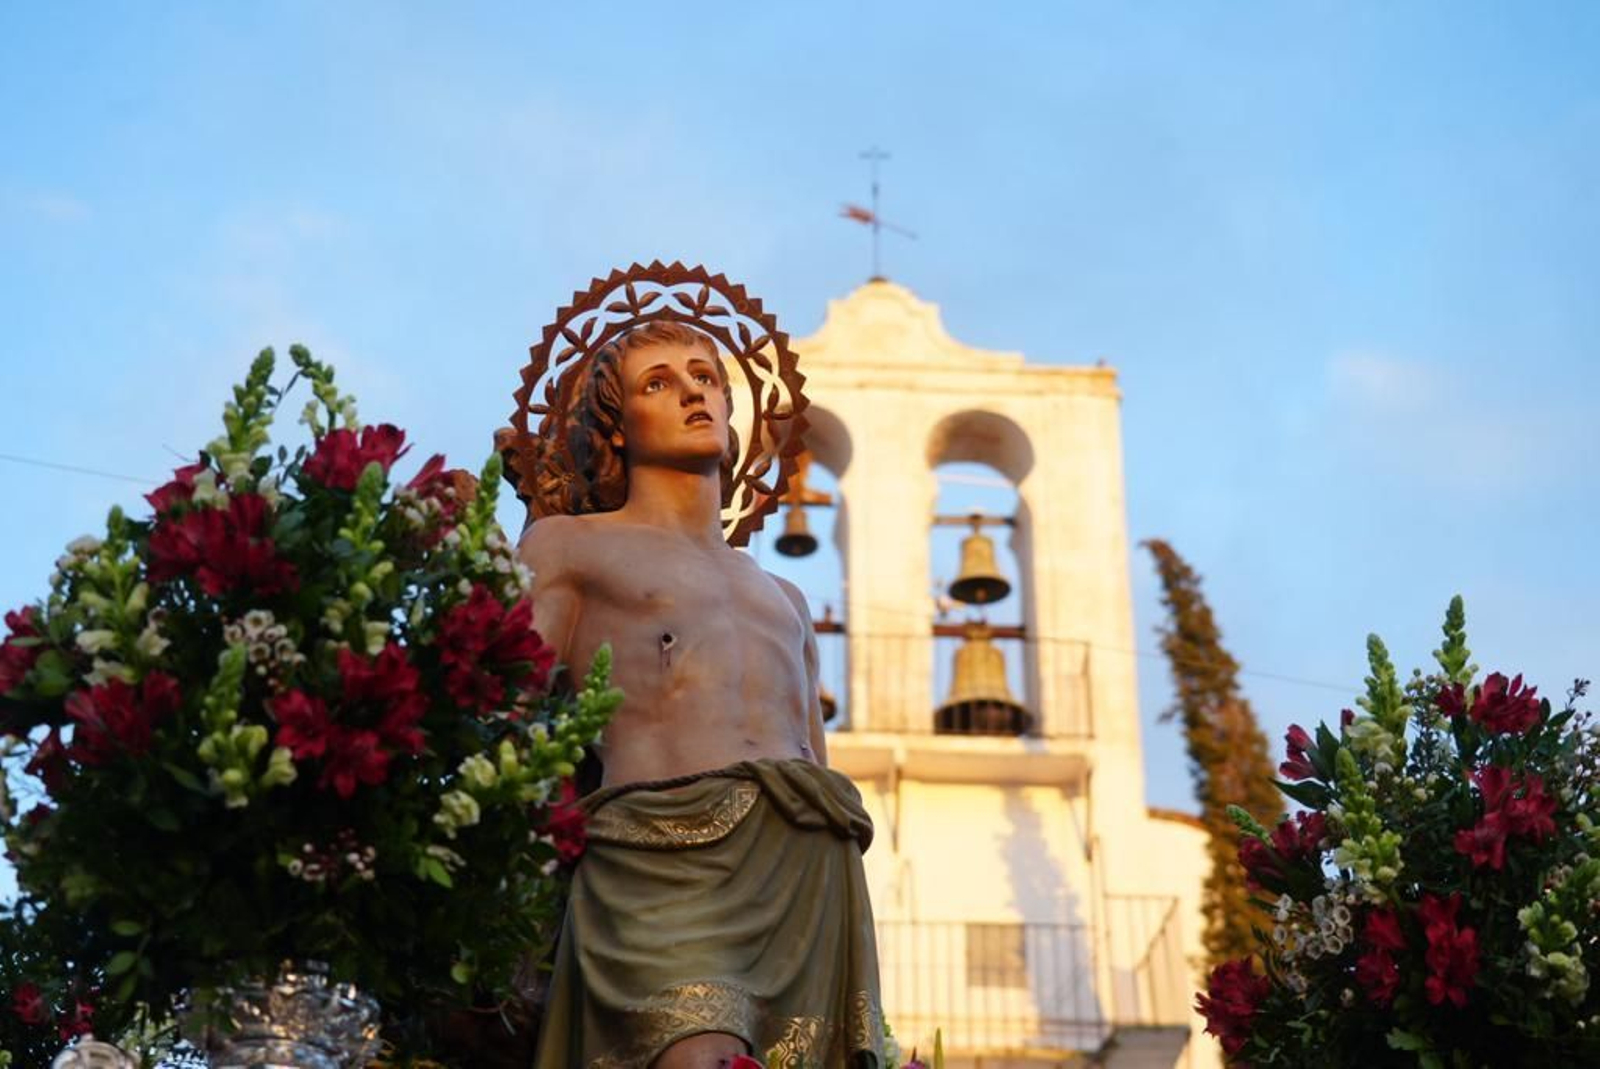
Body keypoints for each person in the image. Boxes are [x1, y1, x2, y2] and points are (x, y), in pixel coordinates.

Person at [520, 320, 883, 1068]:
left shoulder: (782, 594)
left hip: (807, 867)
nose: (693, 393)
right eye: (659, 382)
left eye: (705, 377)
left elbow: (814, 750)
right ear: (615, 428)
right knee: (696, 1052)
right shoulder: (570, 548)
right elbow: (510, 717)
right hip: (661, 860)